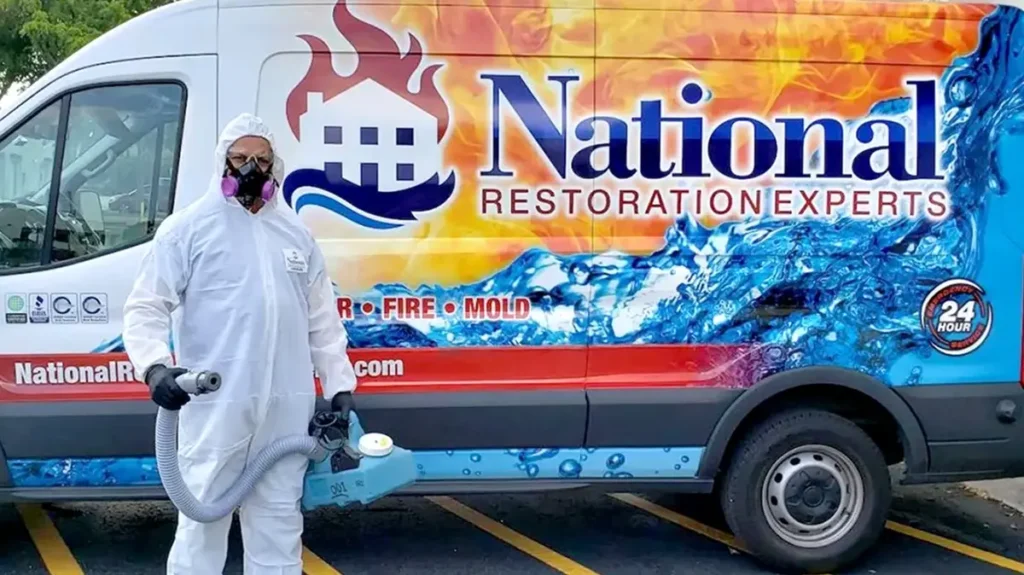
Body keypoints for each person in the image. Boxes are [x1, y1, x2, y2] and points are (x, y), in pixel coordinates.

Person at [122, 113, 358, 575]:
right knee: (200, 531)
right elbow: (146, 306)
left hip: (285, 415)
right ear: (221, 164)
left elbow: (322, 320)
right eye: (240, 158)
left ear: (275, 167)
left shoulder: (295, 234)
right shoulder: (187, 230)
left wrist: (338, 384)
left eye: (261, 159)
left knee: (279, 530)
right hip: (216, 410)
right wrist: (154, 368)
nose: (251, 169)